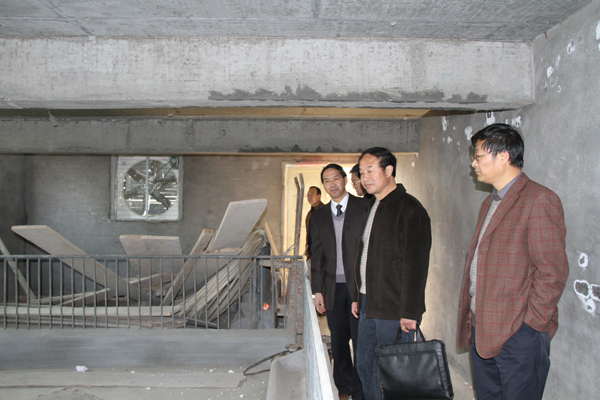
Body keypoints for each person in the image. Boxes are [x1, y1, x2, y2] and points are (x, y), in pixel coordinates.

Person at [458, 123, 569, 400]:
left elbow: (552, 272)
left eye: (478, 156)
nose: (474, 163)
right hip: (484, 330)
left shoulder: (539, 199)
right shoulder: (489, 203)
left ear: (504, 156)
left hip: (518, 335)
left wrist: (531, 326)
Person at [350, 147, 431, 400]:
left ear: (389, 170)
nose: (364, 178)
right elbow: (367, 256)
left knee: (393, 373)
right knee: (365, 366)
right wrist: (358, 296)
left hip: (394, 309)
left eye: (370, 170)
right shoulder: (372, 206)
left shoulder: (410, 209)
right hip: (368, 304)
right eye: (361, 172)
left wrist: (410, 311)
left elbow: (417, 266)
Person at [311, 164, 367, 400]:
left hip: (360, 288)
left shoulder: (364, 207)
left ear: (344, 179)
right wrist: (318, 291)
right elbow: (317, 255)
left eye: (336, 178)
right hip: (333, 288)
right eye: (327, 180)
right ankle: (344, 387)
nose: (332, 184)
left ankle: (363, 388)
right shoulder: (319, 216)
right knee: (339, 339)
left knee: (361, 340)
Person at [304, 186, 325, 259]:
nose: (309, 197)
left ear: (319, 196)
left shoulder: (325, 211)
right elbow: (309, 234)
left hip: (322, 252)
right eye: (308, 194)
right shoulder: (310, 213)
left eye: (312, 194)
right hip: (312, 252)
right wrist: (307, 249)